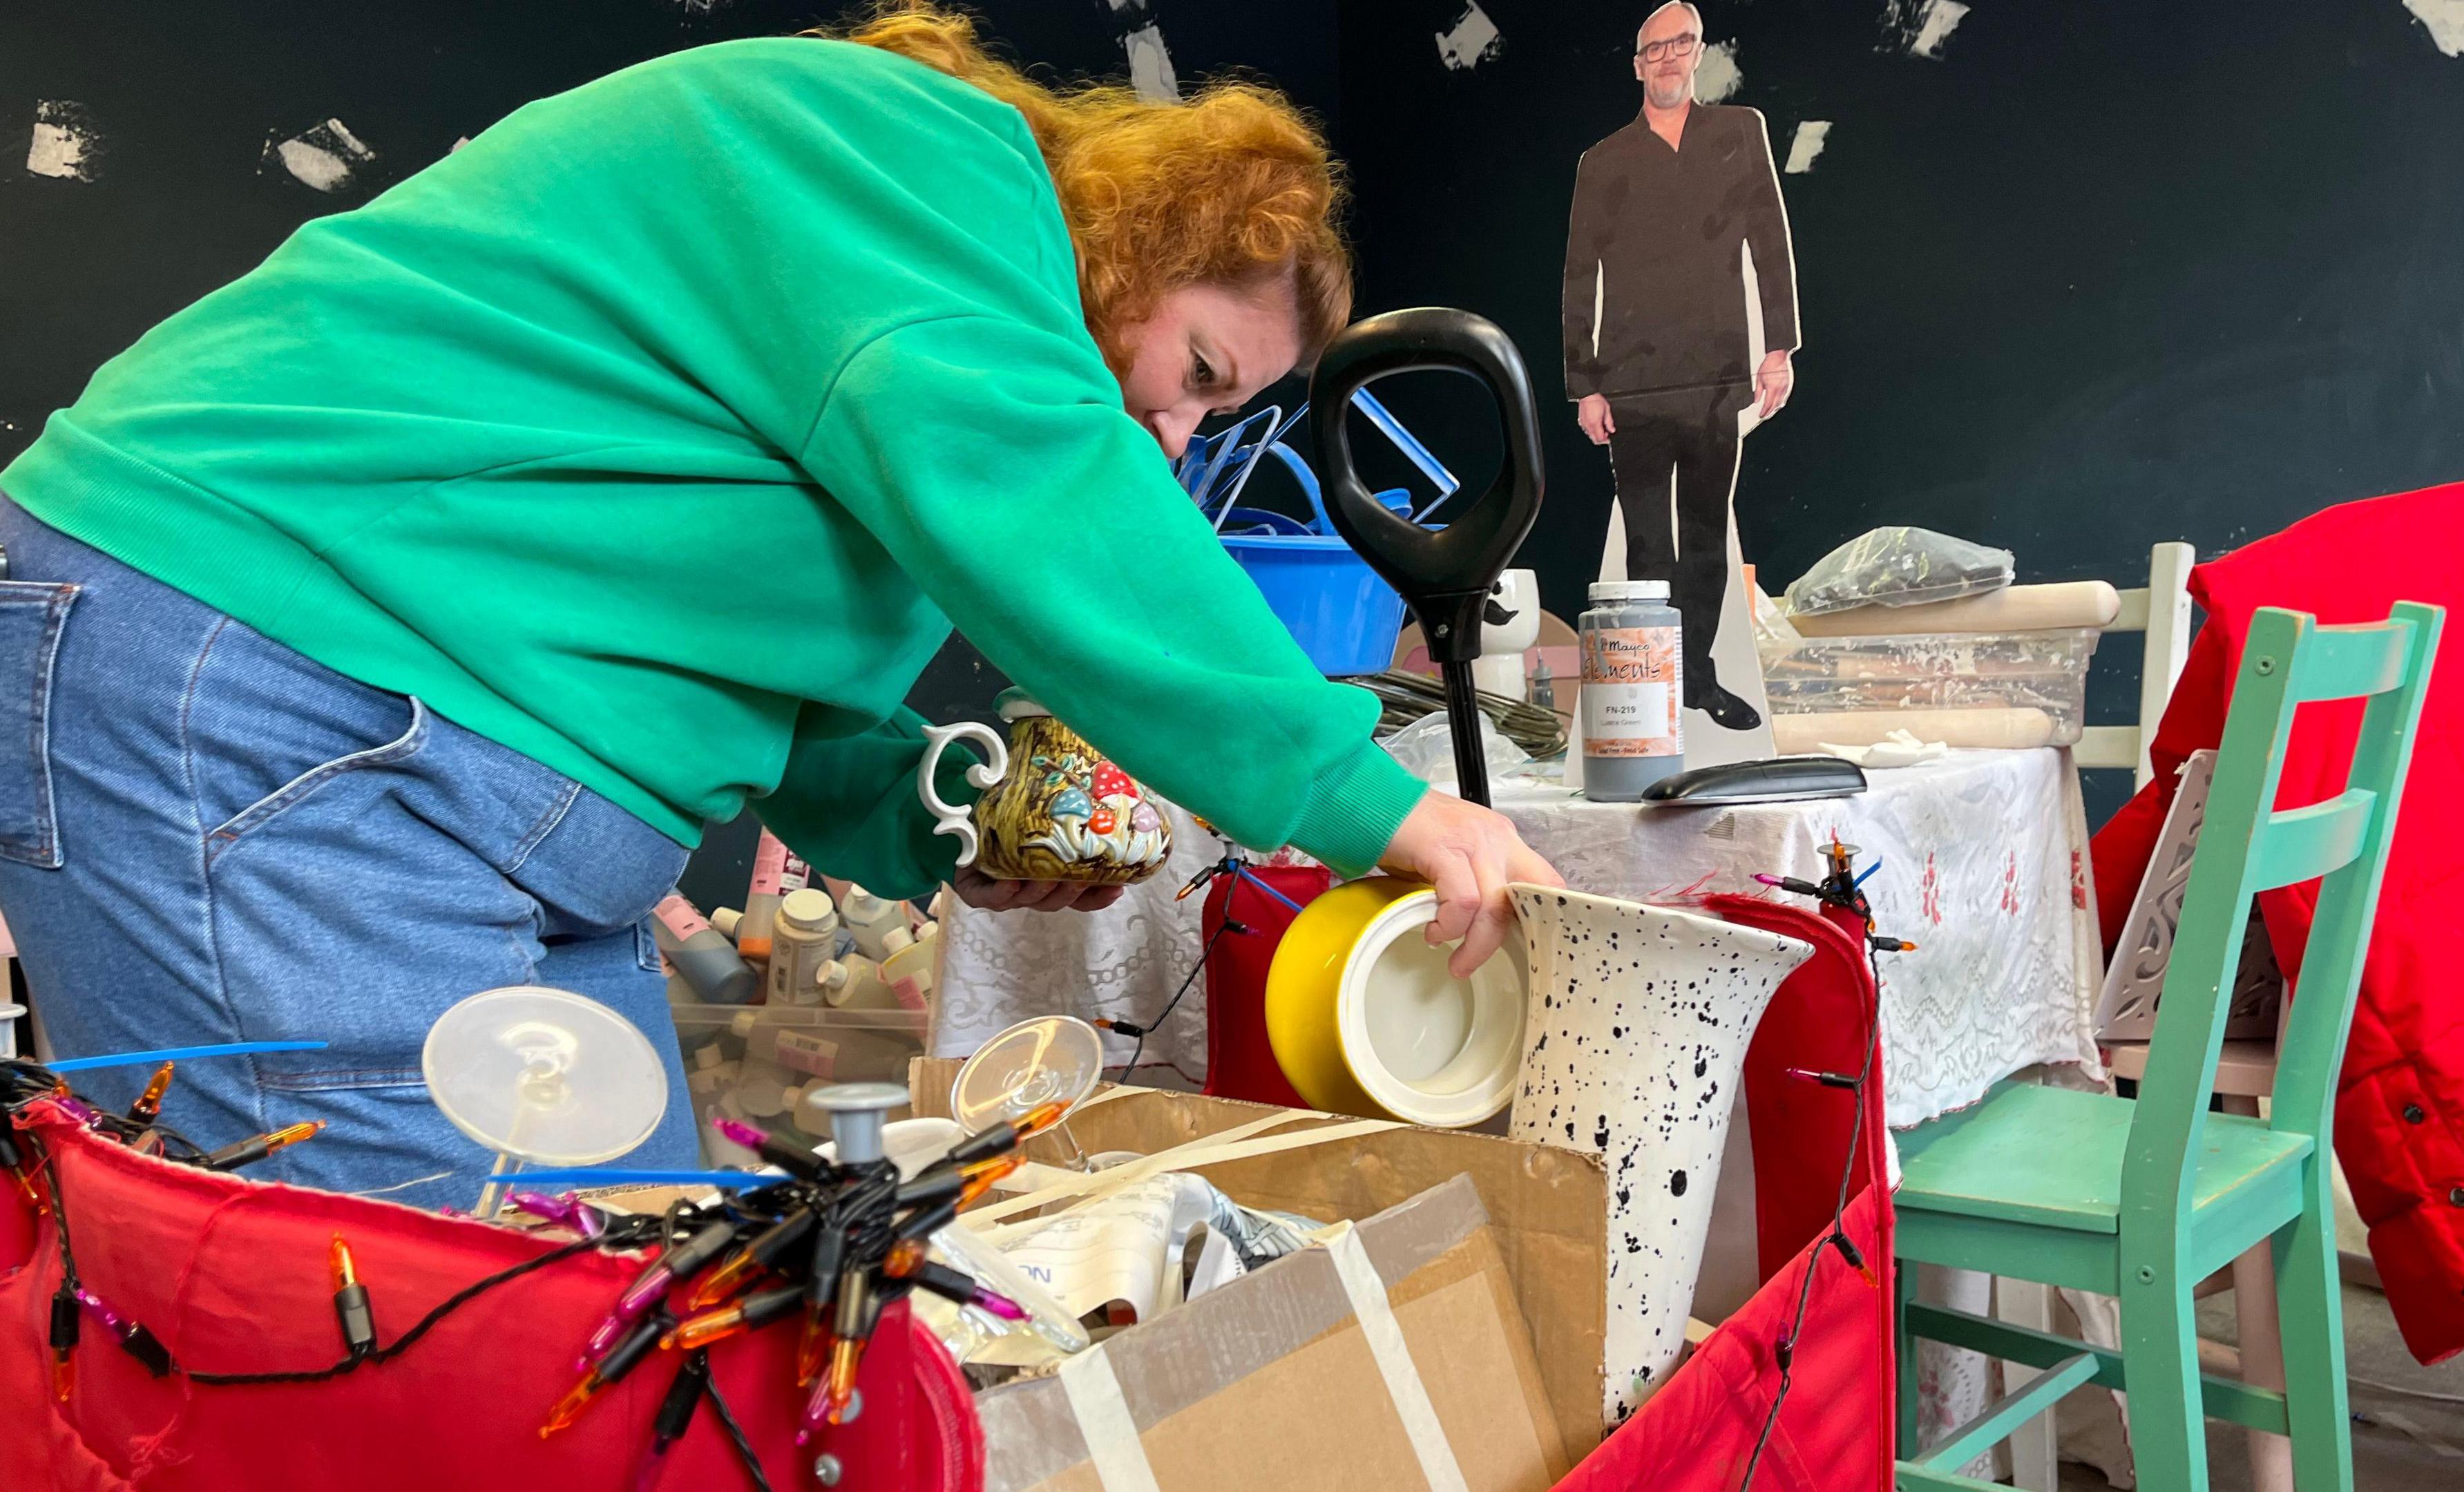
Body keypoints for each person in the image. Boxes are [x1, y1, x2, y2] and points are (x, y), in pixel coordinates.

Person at [0, 2, 1559, 1203]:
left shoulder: (871, 325)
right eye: (1197, 377)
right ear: (1132, 236)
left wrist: (942, 816)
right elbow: (1049, 494)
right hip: (248, 686)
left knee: (644, 1304)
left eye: (1216, 427)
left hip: (397, 756)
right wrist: (1364, 800)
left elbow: (731, 646)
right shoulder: (922, 159)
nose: (1172, 443)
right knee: (458, 1345)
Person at [1560, 1, 1797, 733]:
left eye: (1680, 44)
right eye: (1653, 48)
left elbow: (1770, 240)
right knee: (1645, 544)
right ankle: (1655, 683)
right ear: (1638, 64)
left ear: (1698, 52)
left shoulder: (1738, 133)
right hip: (1631, 379)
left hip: (1716, 372)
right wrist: (1585, 384)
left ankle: (1699, 677)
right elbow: (1578, 274)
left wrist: (1779, 349)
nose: (1667, 58)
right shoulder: (1603, 161)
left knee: (1703, 533)